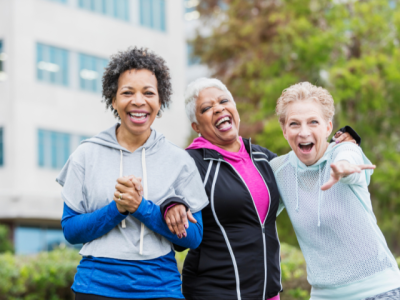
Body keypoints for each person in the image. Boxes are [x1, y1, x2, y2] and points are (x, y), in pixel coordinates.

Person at [163, 78, 356, 300]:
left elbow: (309, 167)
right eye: (206, 108)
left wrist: (344, 143)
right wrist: (171, 204)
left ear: (235, 110)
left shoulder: (264, 158)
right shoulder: (190, 162)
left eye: (224, 101)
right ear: (196, 126)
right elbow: (169, 195)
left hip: (268, 292)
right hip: (214, 292)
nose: (218, 108)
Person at [56, 47, 209, 300]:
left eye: (149, 93)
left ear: (160, 101)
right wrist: (117, 209)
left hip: (160, 288)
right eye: (127, 93)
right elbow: (71, 230)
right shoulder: (86, 154)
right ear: (113, 100)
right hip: (96, 287)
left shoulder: (179, 160)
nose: (138, 101)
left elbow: (193, 237)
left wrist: (141, 207)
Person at [270, 82, 400, 300]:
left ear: (328, 127)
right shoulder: (279, 170)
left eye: (313, 122)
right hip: (324, 296)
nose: (304, 132)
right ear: (284, 130)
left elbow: (349, 159)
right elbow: (252, 211)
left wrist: (344, 169)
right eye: (294, 124)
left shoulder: (345, 150)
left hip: (381, 291)